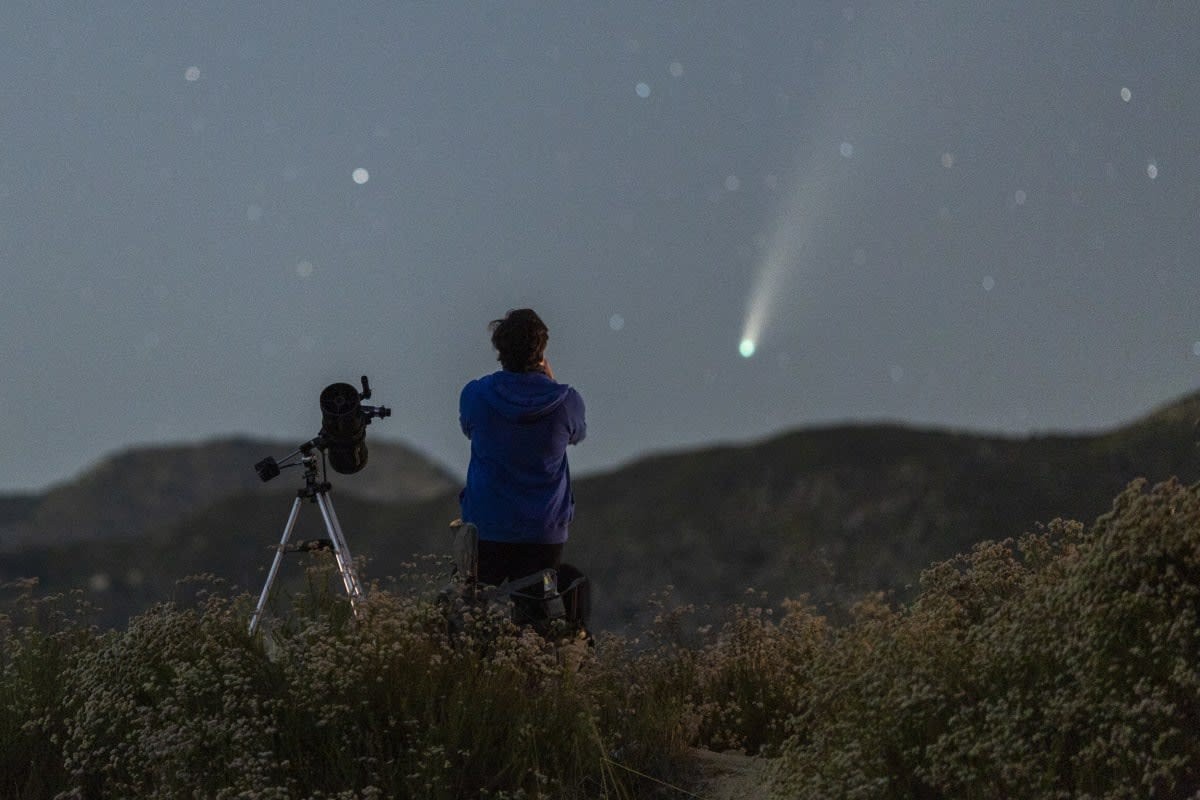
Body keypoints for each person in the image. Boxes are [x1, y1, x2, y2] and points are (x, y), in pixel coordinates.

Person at [458, 308, 587, 597]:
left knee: (472, 609)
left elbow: (469, 429)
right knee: (535, 613)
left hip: (486, 526)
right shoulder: (566, 401)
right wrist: (550, 384)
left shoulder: (475, 395)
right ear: (541, 352)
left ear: (500, 350)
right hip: (543, 531)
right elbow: (577, 435)